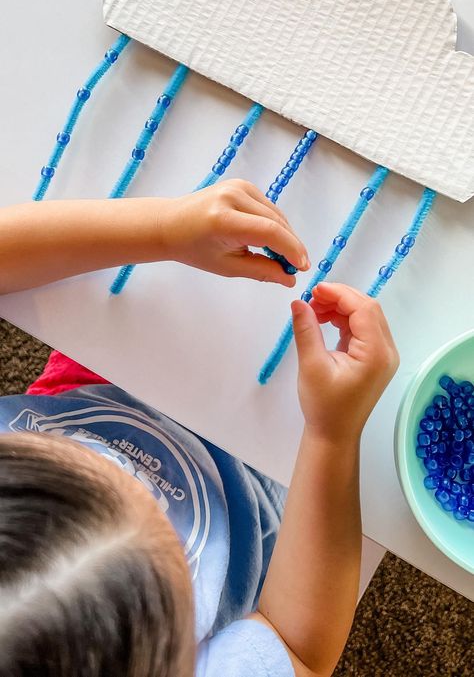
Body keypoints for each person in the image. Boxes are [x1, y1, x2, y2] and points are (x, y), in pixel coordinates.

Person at [0, 180, 399, 676]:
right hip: (265, 495)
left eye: (108, 469)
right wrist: (332, 434)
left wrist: (164, 228)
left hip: (97, 384)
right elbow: (299, 648)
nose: (137, 474)